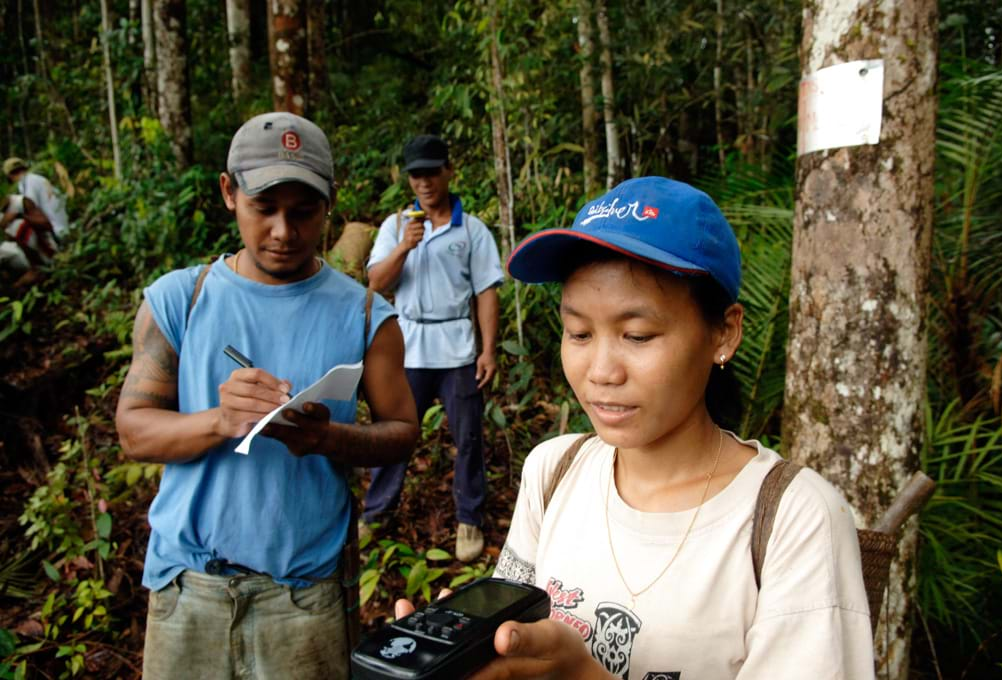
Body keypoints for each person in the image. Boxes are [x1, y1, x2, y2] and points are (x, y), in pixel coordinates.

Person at [399, 177, 874, 679]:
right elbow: (517, 647)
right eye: (578, 332)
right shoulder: (554, 471)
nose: (602, 371)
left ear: (725, 332)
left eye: (637, 335)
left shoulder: (793, 520)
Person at [115, 112, 419, 680]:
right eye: (265, 208)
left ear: (331, 202)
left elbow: (402, 432)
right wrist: (219, 420)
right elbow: (134, 431)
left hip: (303, 599)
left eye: (303, 212)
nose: (283, 231)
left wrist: (327, 437)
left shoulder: (365, 316)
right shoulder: (180, 299)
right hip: (188, 588)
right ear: (229, 193)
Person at [363, 134, 504, 562]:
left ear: (448, 171)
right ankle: (375, 513)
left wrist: (489, 350)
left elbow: (486, 291)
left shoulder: (472, 230)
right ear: (409, 179)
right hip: (408, 345)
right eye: (416, 175)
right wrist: (406, 244)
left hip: (457, 347)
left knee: (468, 437)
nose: (424, 182)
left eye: (431, 172)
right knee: (393, 431)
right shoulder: (395, 226)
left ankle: (469, 520)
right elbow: (375, 282)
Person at [4, 157, 69, 240]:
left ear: (10, 176)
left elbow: (29, 208)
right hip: (64, 224)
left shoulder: (27, 183)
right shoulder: (36, 178)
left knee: (16, 224)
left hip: (58, 231)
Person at [1, 193, 59, 274]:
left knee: (17, 226)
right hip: (26, 256)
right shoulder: (4, 218)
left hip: (47, 253)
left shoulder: (19, 203)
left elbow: (46, 224)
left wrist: (20, 215)